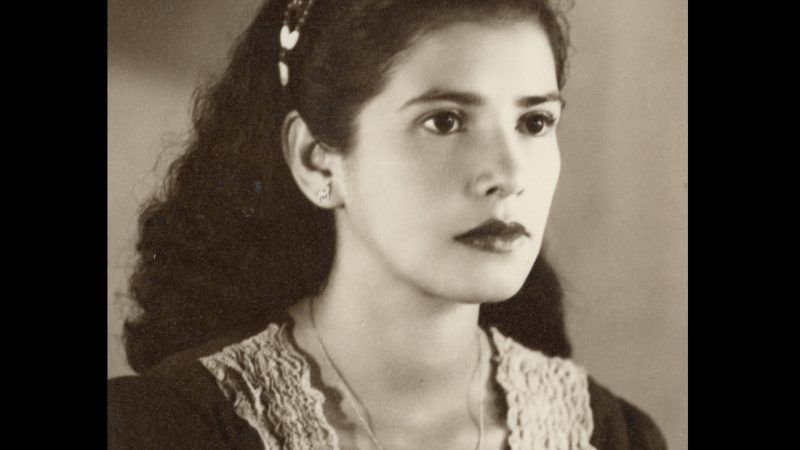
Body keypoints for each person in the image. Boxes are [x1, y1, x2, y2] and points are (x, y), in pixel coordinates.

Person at [108, 0, 667, 448]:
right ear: (316, 161)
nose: (509, 174)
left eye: (535, 122)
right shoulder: (167, 429)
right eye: (445, 121)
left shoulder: (609, 435)